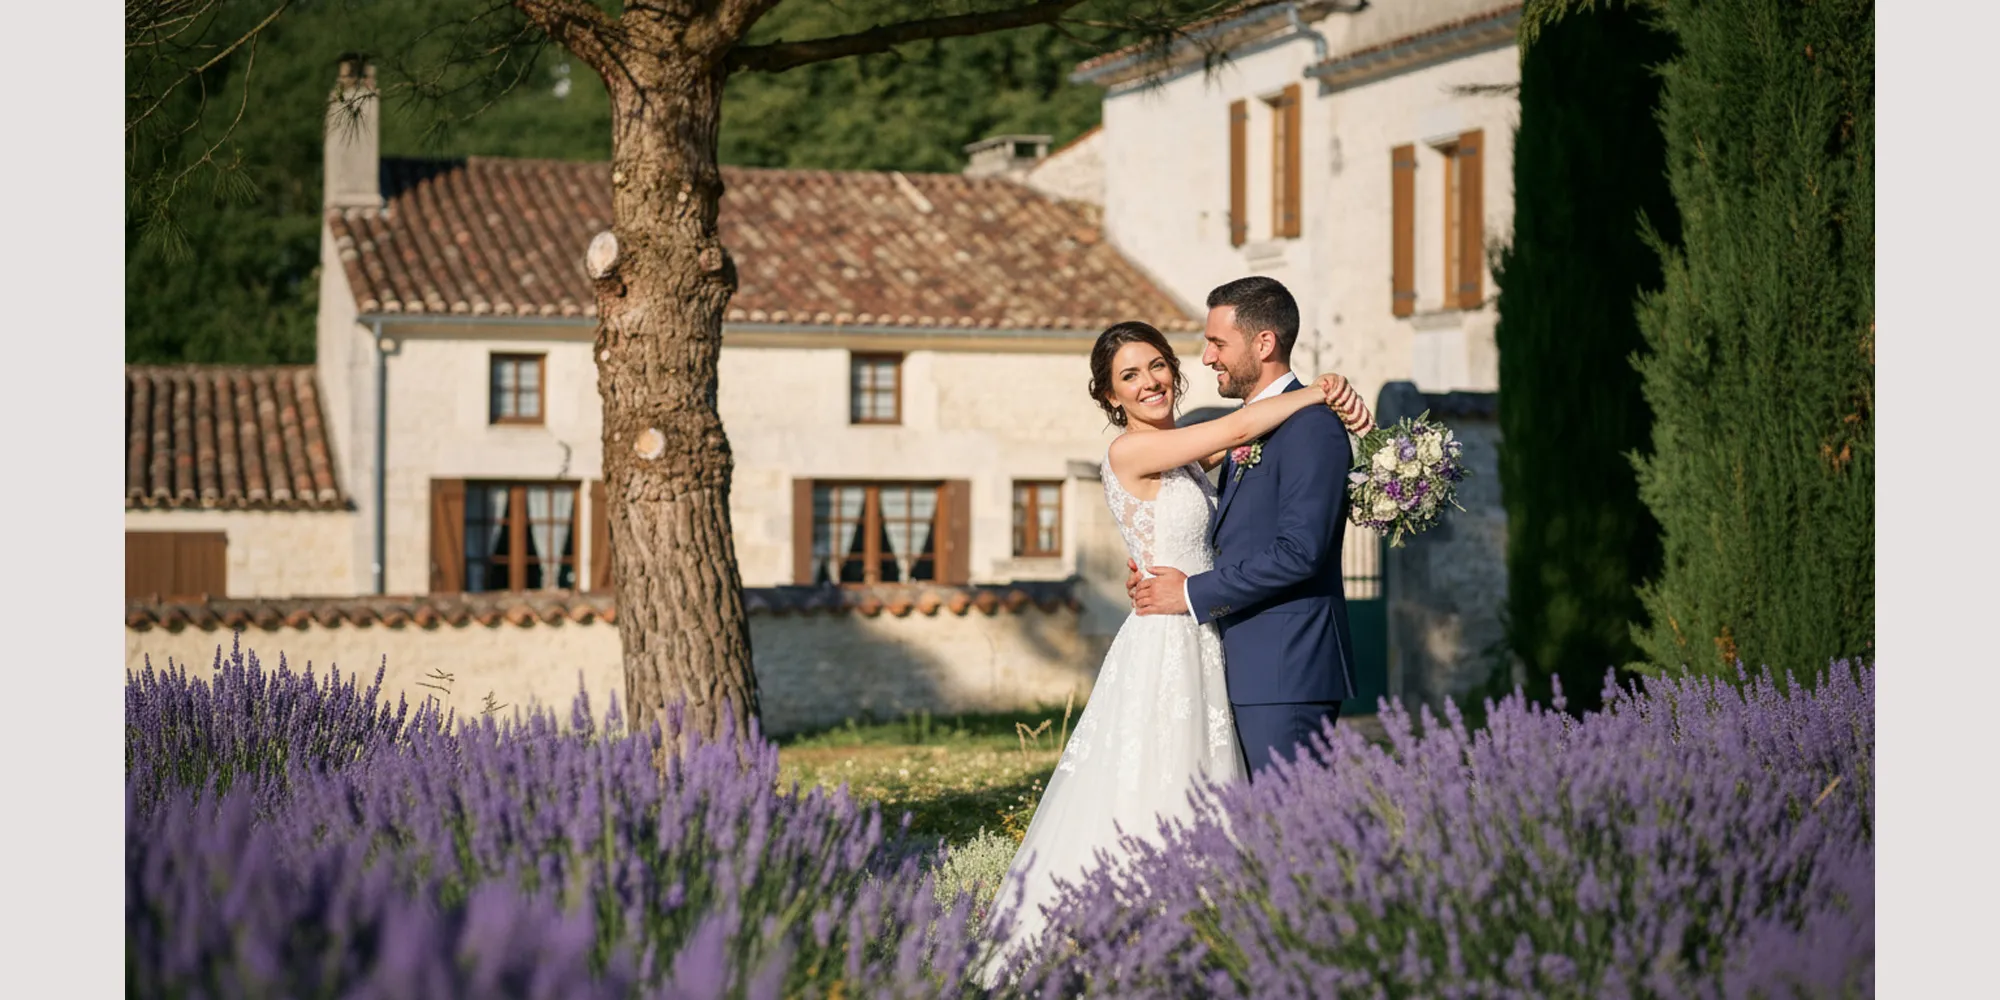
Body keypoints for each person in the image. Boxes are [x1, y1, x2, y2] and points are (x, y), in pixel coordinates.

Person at [979, 308, 1370, 984]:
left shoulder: (1185, 448)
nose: (1150, 381)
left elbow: (1240, 450)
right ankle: (1122, 945)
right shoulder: (1130, 451)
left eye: (1157, 365)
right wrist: (1320, 390)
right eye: (1130, 376)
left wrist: (1329, 404)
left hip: (1205, 633)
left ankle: (1209, 942)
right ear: (1109, 395)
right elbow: (1242, 427)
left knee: (1206, 785)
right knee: (1154, 782)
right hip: (1166, 636)